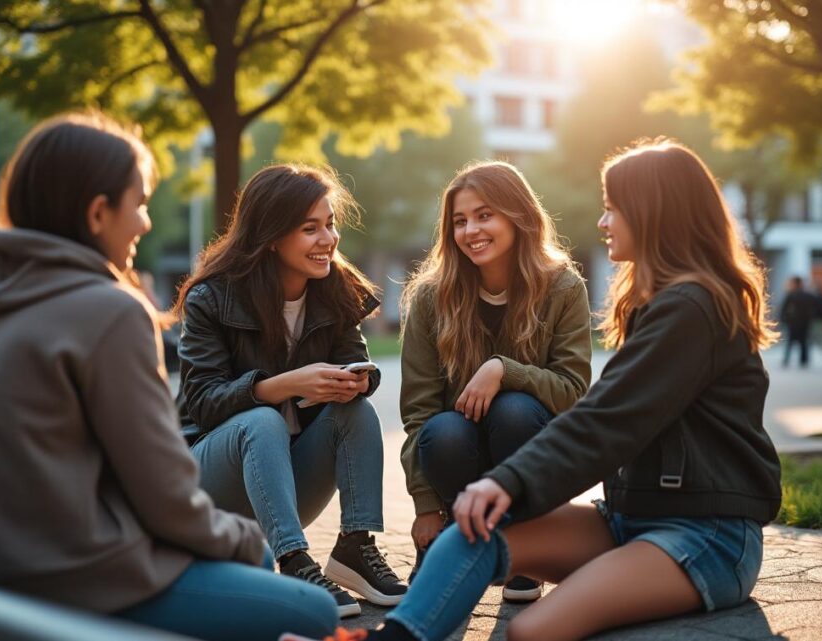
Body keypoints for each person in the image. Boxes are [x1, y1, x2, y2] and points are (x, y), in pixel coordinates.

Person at [288, 139, 782, 641]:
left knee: (533, 630)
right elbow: (425, 410)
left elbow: (603, 420)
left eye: (614, 209)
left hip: (707, 538)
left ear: (655, 214)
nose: (603, 222)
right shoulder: (659, 306)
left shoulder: (693, 310)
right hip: (629, 521)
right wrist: (440, 503)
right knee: (470, 537)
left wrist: (503, 484)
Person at [0, 112, 338, 641]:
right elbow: (168, 500)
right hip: (75, 586)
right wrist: (249, 544)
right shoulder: (111, 311)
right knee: (311, 609)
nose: (146, 222)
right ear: (98, 213)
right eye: (140, 203)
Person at [173, 163, 406, 619]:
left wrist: (356, 380)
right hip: (208, 480)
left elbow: (357, 360)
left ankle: (355, 546)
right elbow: (201, 403)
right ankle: (295, 561)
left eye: (330, 224)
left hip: (281, 483)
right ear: (273, 234)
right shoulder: (211, 298)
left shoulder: (335, 288)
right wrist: (283, 386)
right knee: (261, 419)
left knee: (357, 412)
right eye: (309, 229)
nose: (328, 239)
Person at [398, 161, 592, 602]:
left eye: (485, 215)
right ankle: (451, 536)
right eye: (460, 221)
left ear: (518, 216)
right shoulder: (431, 295)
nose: (471, 230)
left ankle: (526, 543)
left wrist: (506, 370)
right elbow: (418, 412)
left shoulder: (562, 287)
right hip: (455, 456)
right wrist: (425, 506)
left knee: (514, 409)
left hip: (526, 448)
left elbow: (575, 395)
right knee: (442, 430)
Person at [779, 275, 812, 368]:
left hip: (795, 322)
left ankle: (789, 360)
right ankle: (802, 361)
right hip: (800, 323)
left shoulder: (792, 295)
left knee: (793, 342)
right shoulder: (804, 295)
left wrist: (784, 319)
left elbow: (784, 309)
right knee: (802, 342)